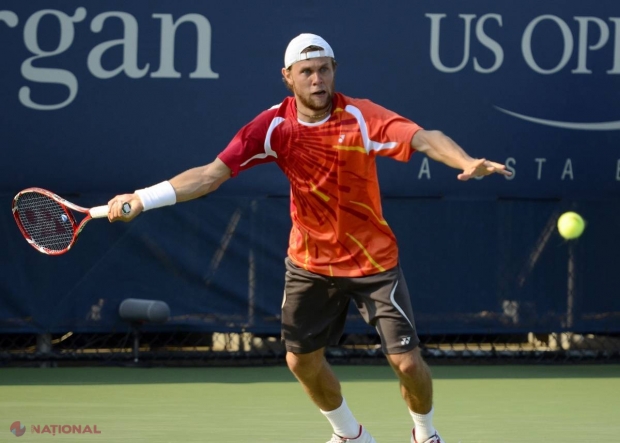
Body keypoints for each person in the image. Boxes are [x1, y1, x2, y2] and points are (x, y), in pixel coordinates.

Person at [107, 33, 512, 443]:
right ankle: (350, 435)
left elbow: (423, 137)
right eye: (306, 72)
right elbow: (210, 176)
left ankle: (425, 435)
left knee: (407, 363)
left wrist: (465, 161)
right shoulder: (272, 128)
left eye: (323, 70)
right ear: (288, 78)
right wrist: (142, 198)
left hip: (373, 263)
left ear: (334, 71)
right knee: (301, 362)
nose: (316, 79)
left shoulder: (361, 117)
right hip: (309, 264)